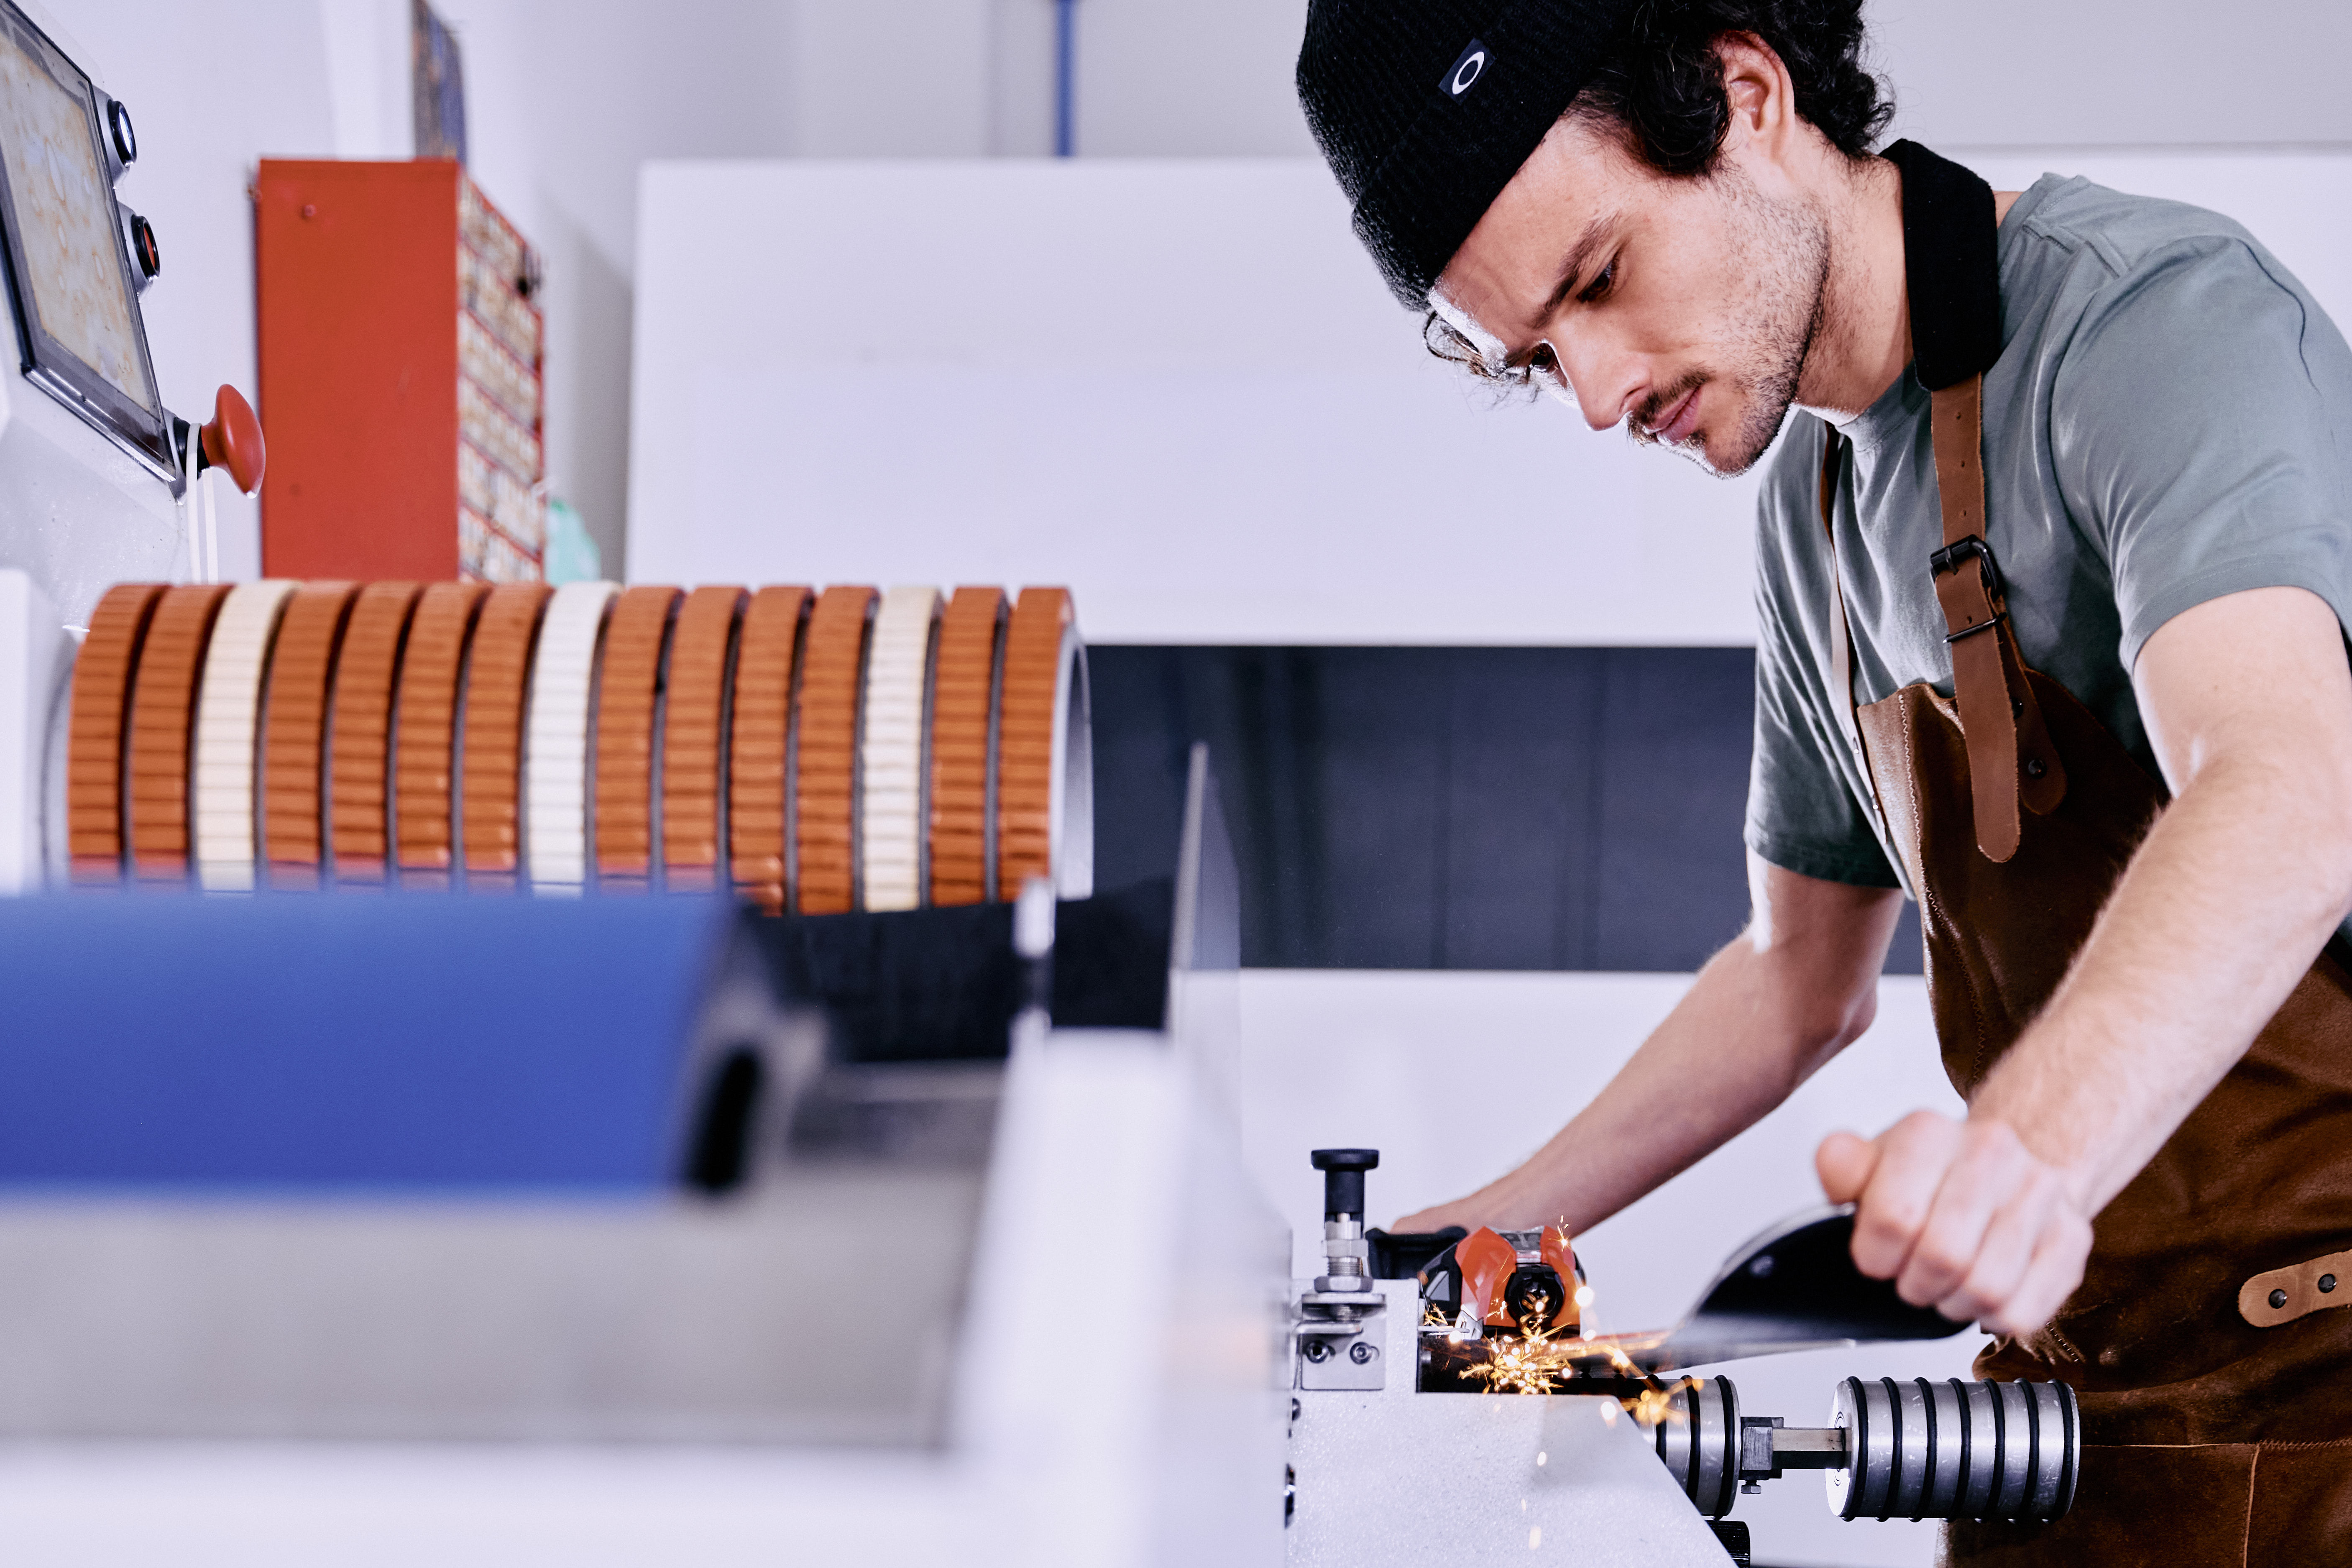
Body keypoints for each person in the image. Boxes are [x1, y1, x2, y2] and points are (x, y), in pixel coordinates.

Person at [1296, 1, 2352, 1560]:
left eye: (1598, 280)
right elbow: (1800, 979)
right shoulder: (1818, 502)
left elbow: (2287, 787)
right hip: (2088, 1420)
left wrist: (2022, 1161)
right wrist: (1467, 1237)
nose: (1592, 393)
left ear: (1746, 96)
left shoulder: (2159, 329)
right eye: (1539, 356)